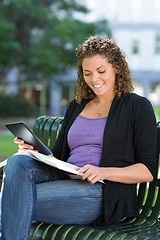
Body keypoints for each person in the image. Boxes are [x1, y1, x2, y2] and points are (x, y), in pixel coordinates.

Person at [1, 36, 157, 240]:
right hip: (67, 178)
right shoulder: (77, 106)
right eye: (87, 73)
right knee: (17, 161)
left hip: (101, 192)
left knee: (16, 197)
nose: (94, 79)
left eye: (101, 71)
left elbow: (147, 171)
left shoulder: (137, 106)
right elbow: (57, 158)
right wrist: (35, 151)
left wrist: (102, 171)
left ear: (116, 68)